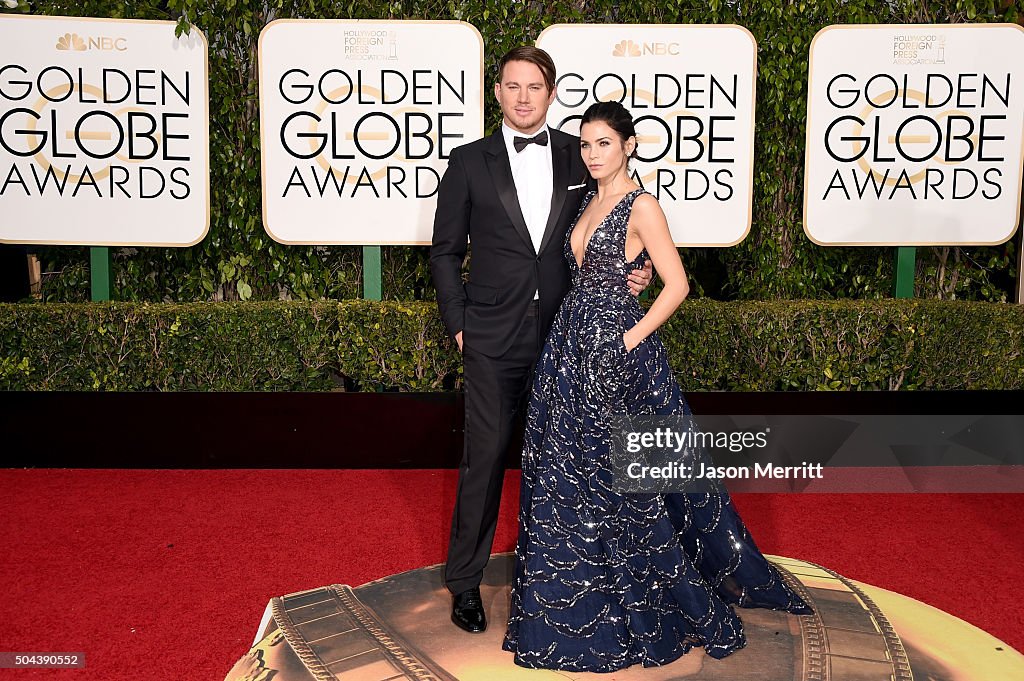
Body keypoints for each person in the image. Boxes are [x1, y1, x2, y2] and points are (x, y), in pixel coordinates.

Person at [501, 101, 813, 672]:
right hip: (569, 346)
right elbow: (605, 275)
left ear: (629, 146)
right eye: (587, 145)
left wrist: (627, 339)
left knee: (616, 478)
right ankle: (567, 597)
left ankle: (631, 602)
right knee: (563, 471)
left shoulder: (643, 205)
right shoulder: (589, 201)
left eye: (604, 144)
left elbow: (677, 285)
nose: (594, 155)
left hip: (613, 353)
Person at [430, 47, 653, 634]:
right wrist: (459, 322)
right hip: (489, 337)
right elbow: (445, 251)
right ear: (497, 92)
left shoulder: (579, 153)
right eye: (513, 85)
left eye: (535, 86)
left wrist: (638, 268)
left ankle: (565, 579)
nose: (524, 96)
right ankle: (465, 583)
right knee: (484, 460)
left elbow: (616, 217)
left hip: (566, 338)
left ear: (551, 93)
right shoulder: (468, 161)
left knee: (564, 464)